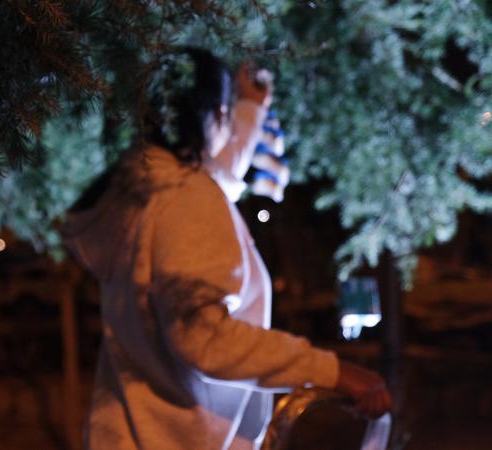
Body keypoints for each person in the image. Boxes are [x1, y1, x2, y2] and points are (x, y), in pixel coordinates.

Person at [61, 48, 392, 450]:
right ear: (215, 116)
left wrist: (251, 107)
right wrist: (333, 370)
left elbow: (215, 174)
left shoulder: (141, 190)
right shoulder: (185, 198)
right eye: (226, 113)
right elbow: (205, 338)